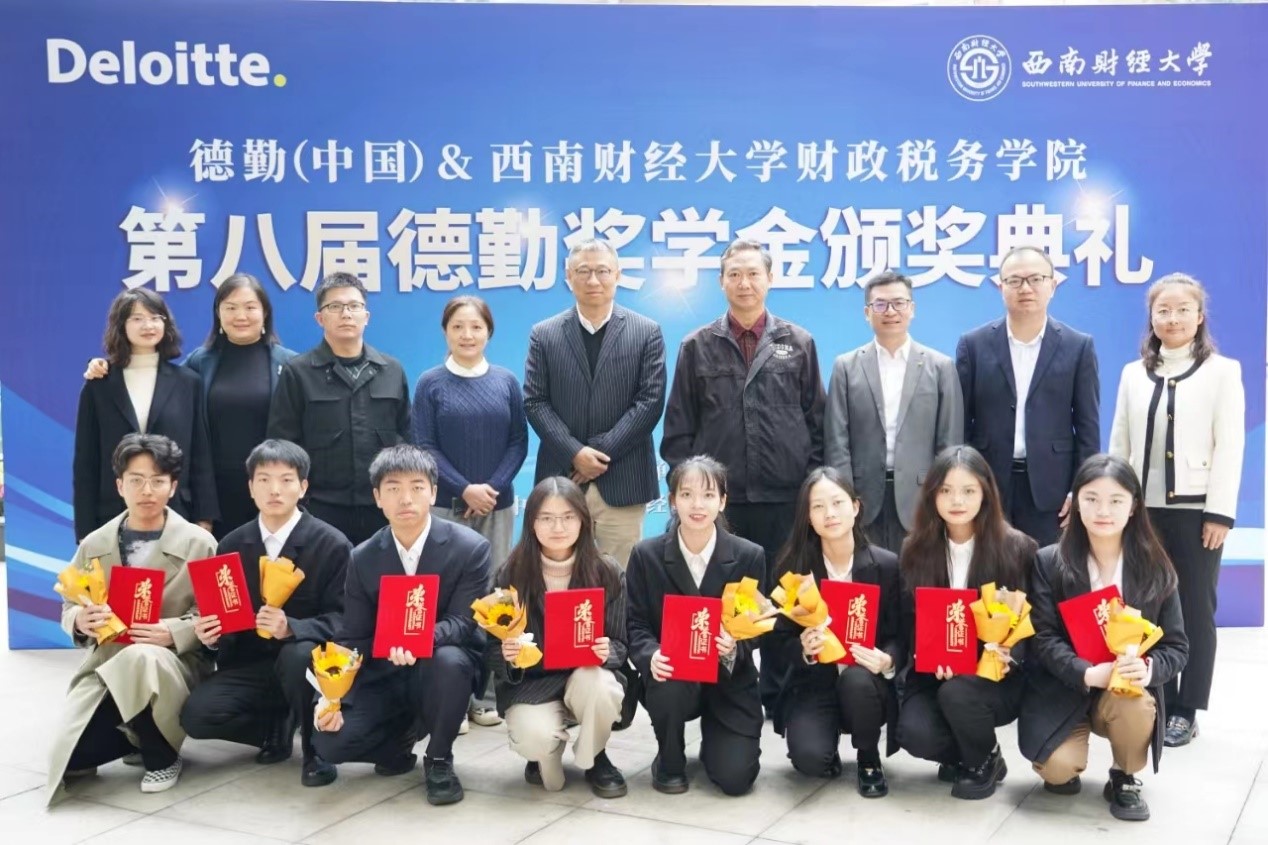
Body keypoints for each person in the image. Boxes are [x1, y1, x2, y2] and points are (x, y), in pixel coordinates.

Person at [661, 238, 827, 715]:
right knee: (718, 596)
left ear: (770, 279)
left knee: (780, 597)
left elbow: (818, 423)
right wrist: (692, 494)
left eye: (754, 273)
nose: (745, 283)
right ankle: (716, 688)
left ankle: (778, 694)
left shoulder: (798, 342)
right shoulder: (696, 345)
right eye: (734, 274)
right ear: (721, 281)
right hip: (721, 504)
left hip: (784, 499)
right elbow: (679, 431)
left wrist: (810, 490)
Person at [311, 445, 491, 806]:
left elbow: (462, 622)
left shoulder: (470, 548)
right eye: (393, 488)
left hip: (443, 665)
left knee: (449, 661)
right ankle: (398, 741)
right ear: (378, 497)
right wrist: (328, 697)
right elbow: (353, 635)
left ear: (433, 493)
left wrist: (418, 640)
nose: (405, 499)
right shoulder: (363, 557)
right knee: (329, 744)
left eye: (417, 487)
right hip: (385, 669)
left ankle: (439, 758)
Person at [1109, 273, 1243, 747]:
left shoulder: (1222, 372)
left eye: (1183, 309)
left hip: (1196, 511)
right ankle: (1158, 695)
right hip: (1142, 512)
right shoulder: (1132, 373)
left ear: (1199, 316)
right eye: (1163, 310)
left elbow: (1230, 446)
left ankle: (1188, 708)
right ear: (1151, 318)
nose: (1173, 318)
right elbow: (1120, 443)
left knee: (1195, 607)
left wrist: (1220, 513)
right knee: (1147, 604)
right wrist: (1116, 504)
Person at [48, 434, 217, 803]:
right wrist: (80, 620)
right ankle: (137, 734)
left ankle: (161, 755)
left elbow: (216, 615)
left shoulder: (199, 543)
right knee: (72, 761)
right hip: (107, 667)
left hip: (175, 664)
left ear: (173, 487)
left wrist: (173, 631)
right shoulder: (94, 543)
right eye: (136, 480)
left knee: (141, 657)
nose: (147, 491)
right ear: (119, 485)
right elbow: (68, 604)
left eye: (158, 480)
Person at [1020, 454, 1188, 822]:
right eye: (1091, 498)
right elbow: (1043, 638)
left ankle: (1123, 774)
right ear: (1076, 502)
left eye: (1116, 500)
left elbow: (1177, 647)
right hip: (1066, 687)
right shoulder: (1049, 562)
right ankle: (1066, 754)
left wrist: (1147, 668)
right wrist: (1085, 672)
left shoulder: (1155, 567)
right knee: (1057, 771)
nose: (1103, 511)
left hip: (1123, 691)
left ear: (1133, 506)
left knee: (1135, 706)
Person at [180, 440, 351, 788]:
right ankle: (274, 727)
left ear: (303, 486)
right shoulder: (230, 545)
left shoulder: (332, 544)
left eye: (286, 480)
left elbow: (345, 619)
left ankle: (317, 749)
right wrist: (211, 636)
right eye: (264, 480)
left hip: (307, 665)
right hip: (252, 666)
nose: (275, 490)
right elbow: (224, 619)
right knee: (196, 717)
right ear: (250, 487)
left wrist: (293, 628)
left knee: (297, 654)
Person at [85, 274, 297, 538]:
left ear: (264, 312)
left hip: (272, 488)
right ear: (218, 313)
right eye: (230, 307)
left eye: (250, 307)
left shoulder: (290, 364)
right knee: (219, 563)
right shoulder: (200, 362)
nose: (240, 315)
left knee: (273, 561)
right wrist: (105, 366)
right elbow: (157, 391)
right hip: (214, 494)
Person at [895, 445, 1037, 800]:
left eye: (968, 490)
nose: (957, 500)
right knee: (913, 733)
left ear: (985, 493)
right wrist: (926, 655)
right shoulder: (915, 549)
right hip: (936, 673)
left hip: (995, 677)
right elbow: (909, 620)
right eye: (945, 490)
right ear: (932, 495)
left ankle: (980, 761)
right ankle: (976, 750)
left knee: (959, 693)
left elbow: (1032, 624)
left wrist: (1010, 655)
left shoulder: (1017, 548)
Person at [625, 456, 765, 796]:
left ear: (723, 501)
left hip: (728, 680)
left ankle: (715, 744)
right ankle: (669, 757)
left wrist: (734, 646)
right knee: (668, 682)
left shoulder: (749, 556)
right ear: (672, 500)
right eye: (686, 495)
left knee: (736, 779)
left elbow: (756, 625)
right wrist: (651, 655)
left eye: (708, 495)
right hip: (674, 678)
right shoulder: (646, 555)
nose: (697, 505)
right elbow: (635, 622)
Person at [523, 238, 666, 569]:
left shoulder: (646, 332)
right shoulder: (544, 334)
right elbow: (535, 401)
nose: (593, 280)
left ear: (617, 274)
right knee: (558, 573)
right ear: (568, 275)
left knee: (622, 576)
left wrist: (598, 453)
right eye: (583, 271)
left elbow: (649, 402)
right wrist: (574, 453)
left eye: (602, 271)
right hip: (562, 476)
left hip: (623, 479)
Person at [489, 477, 628, 798]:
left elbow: (622, 643)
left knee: (602, 685)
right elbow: (490, 648)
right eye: (546, 518)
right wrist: (507, 655)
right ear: (531, 523)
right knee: (536, 744)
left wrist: (607, 650)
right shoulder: (510, 574)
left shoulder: (606, 571)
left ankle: (594, 757)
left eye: (568, 517)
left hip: (586, 676)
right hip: (534, 682)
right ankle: (543, 754)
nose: (558, 527)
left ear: (583, 520)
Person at [770, 467, 903, 797]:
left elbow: (901, 633)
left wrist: (887, 660)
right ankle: (825, 743)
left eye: (837, 502)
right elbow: (777, 640)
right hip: (816, 683)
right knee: (810, 761)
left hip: (865, 682)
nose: (829, 513)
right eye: (818, 506)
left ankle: (868, 757)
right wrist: (802, 649)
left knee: (857, 681)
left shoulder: (886, 565)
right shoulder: (793, 568)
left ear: (855, 507)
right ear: (808, 517)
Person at [956, 246, 1099, 547]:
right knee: (988, 569)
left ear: (1053, 285)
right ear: (1000, 287)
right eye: (1015, 280)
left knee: (1046, 568)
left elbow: (1088, 428)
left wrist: (1081, 489)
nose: (1025, 288)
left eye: (1036, 279)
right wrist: (963, 483)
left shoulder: (1078, 346)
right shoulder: (973, 344)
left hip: (1052, 489)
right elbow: (960, 423)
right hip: (987, 484)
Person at [267, 272, 411, 546]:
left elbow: (407, 439)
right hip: (320, 509)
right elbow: (282, 445)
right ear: (319, 318)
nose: (346, 314)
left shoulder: (392, 370)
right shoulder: (298, 372)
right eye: (335, 306)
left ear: (366, 316)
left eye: (354, 306)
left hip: (383, 508)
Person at [825, 271, 963, 554]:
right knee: (866, 576)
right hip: (862, 498)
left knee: (917, 575)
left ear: (912, 309)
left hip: (921, 497)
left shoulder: (940, 367)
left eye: (899, 303)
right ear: (867, 312)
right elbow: (837, 440)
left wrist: (942, 494)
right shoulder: (845, 366)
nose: (890, 311)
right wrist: (844, 498)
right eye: (880, 304)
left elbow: (949, 443)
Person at [74, 289, 217, 541]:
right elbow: (86, 463)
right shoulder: (99, 385)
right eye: (137, 319)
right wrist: (86, 533)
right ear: (121, 325)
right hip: (113, 516)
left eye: (155, 318)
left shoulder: (188, 383)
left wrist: (204, 518)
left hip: (177, 514)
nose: (148, 325)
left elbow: (201, 455)